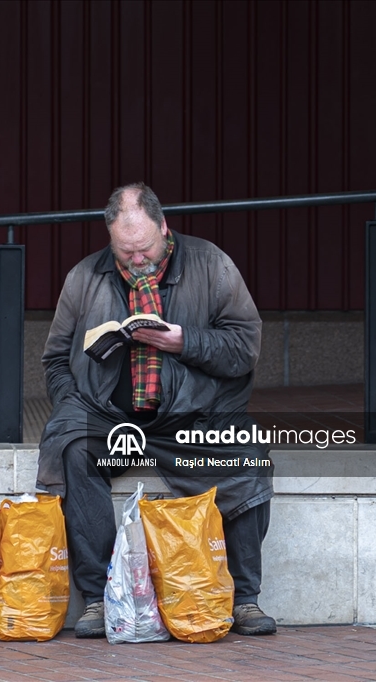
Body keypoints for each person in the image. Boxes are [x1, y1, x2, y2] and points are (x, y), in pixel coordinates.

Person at [37, 182, 276, 638]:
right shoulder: (85, 277)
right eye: (124, 253)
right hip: (109, 418)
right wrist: (72, 402)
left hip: (190, 419)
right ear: (111, 239)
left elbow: (245, 347)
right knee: (71, 449)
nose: (136, 260)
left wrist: (185, 341)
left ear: (164, 228)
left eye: (143, 248)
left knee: (246, 454)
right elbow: (54, 360)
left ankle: (245, 599)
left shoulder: (211, 263)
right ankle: (97, 598)